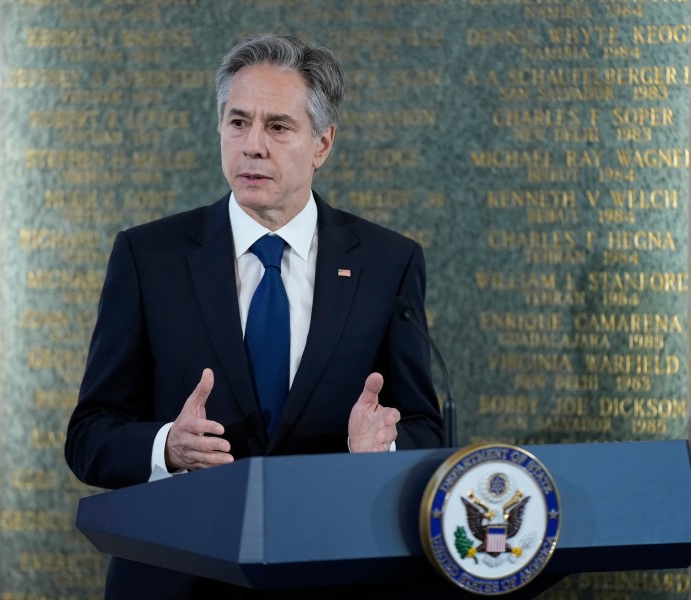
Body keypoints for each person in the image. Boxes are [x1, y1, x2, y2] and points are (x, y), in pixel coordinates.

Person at [65, 33, 444, 598]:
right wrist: (167, 447)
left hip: (333, 572)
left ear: (323, 143)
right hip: (182, 576)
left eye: (278, 127)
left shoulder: (388, 263)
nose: (252, 146)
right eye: (237, 122)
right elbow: (90, 436)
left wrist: (381, 450)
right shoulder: (151, 258)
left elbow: (425, 430)